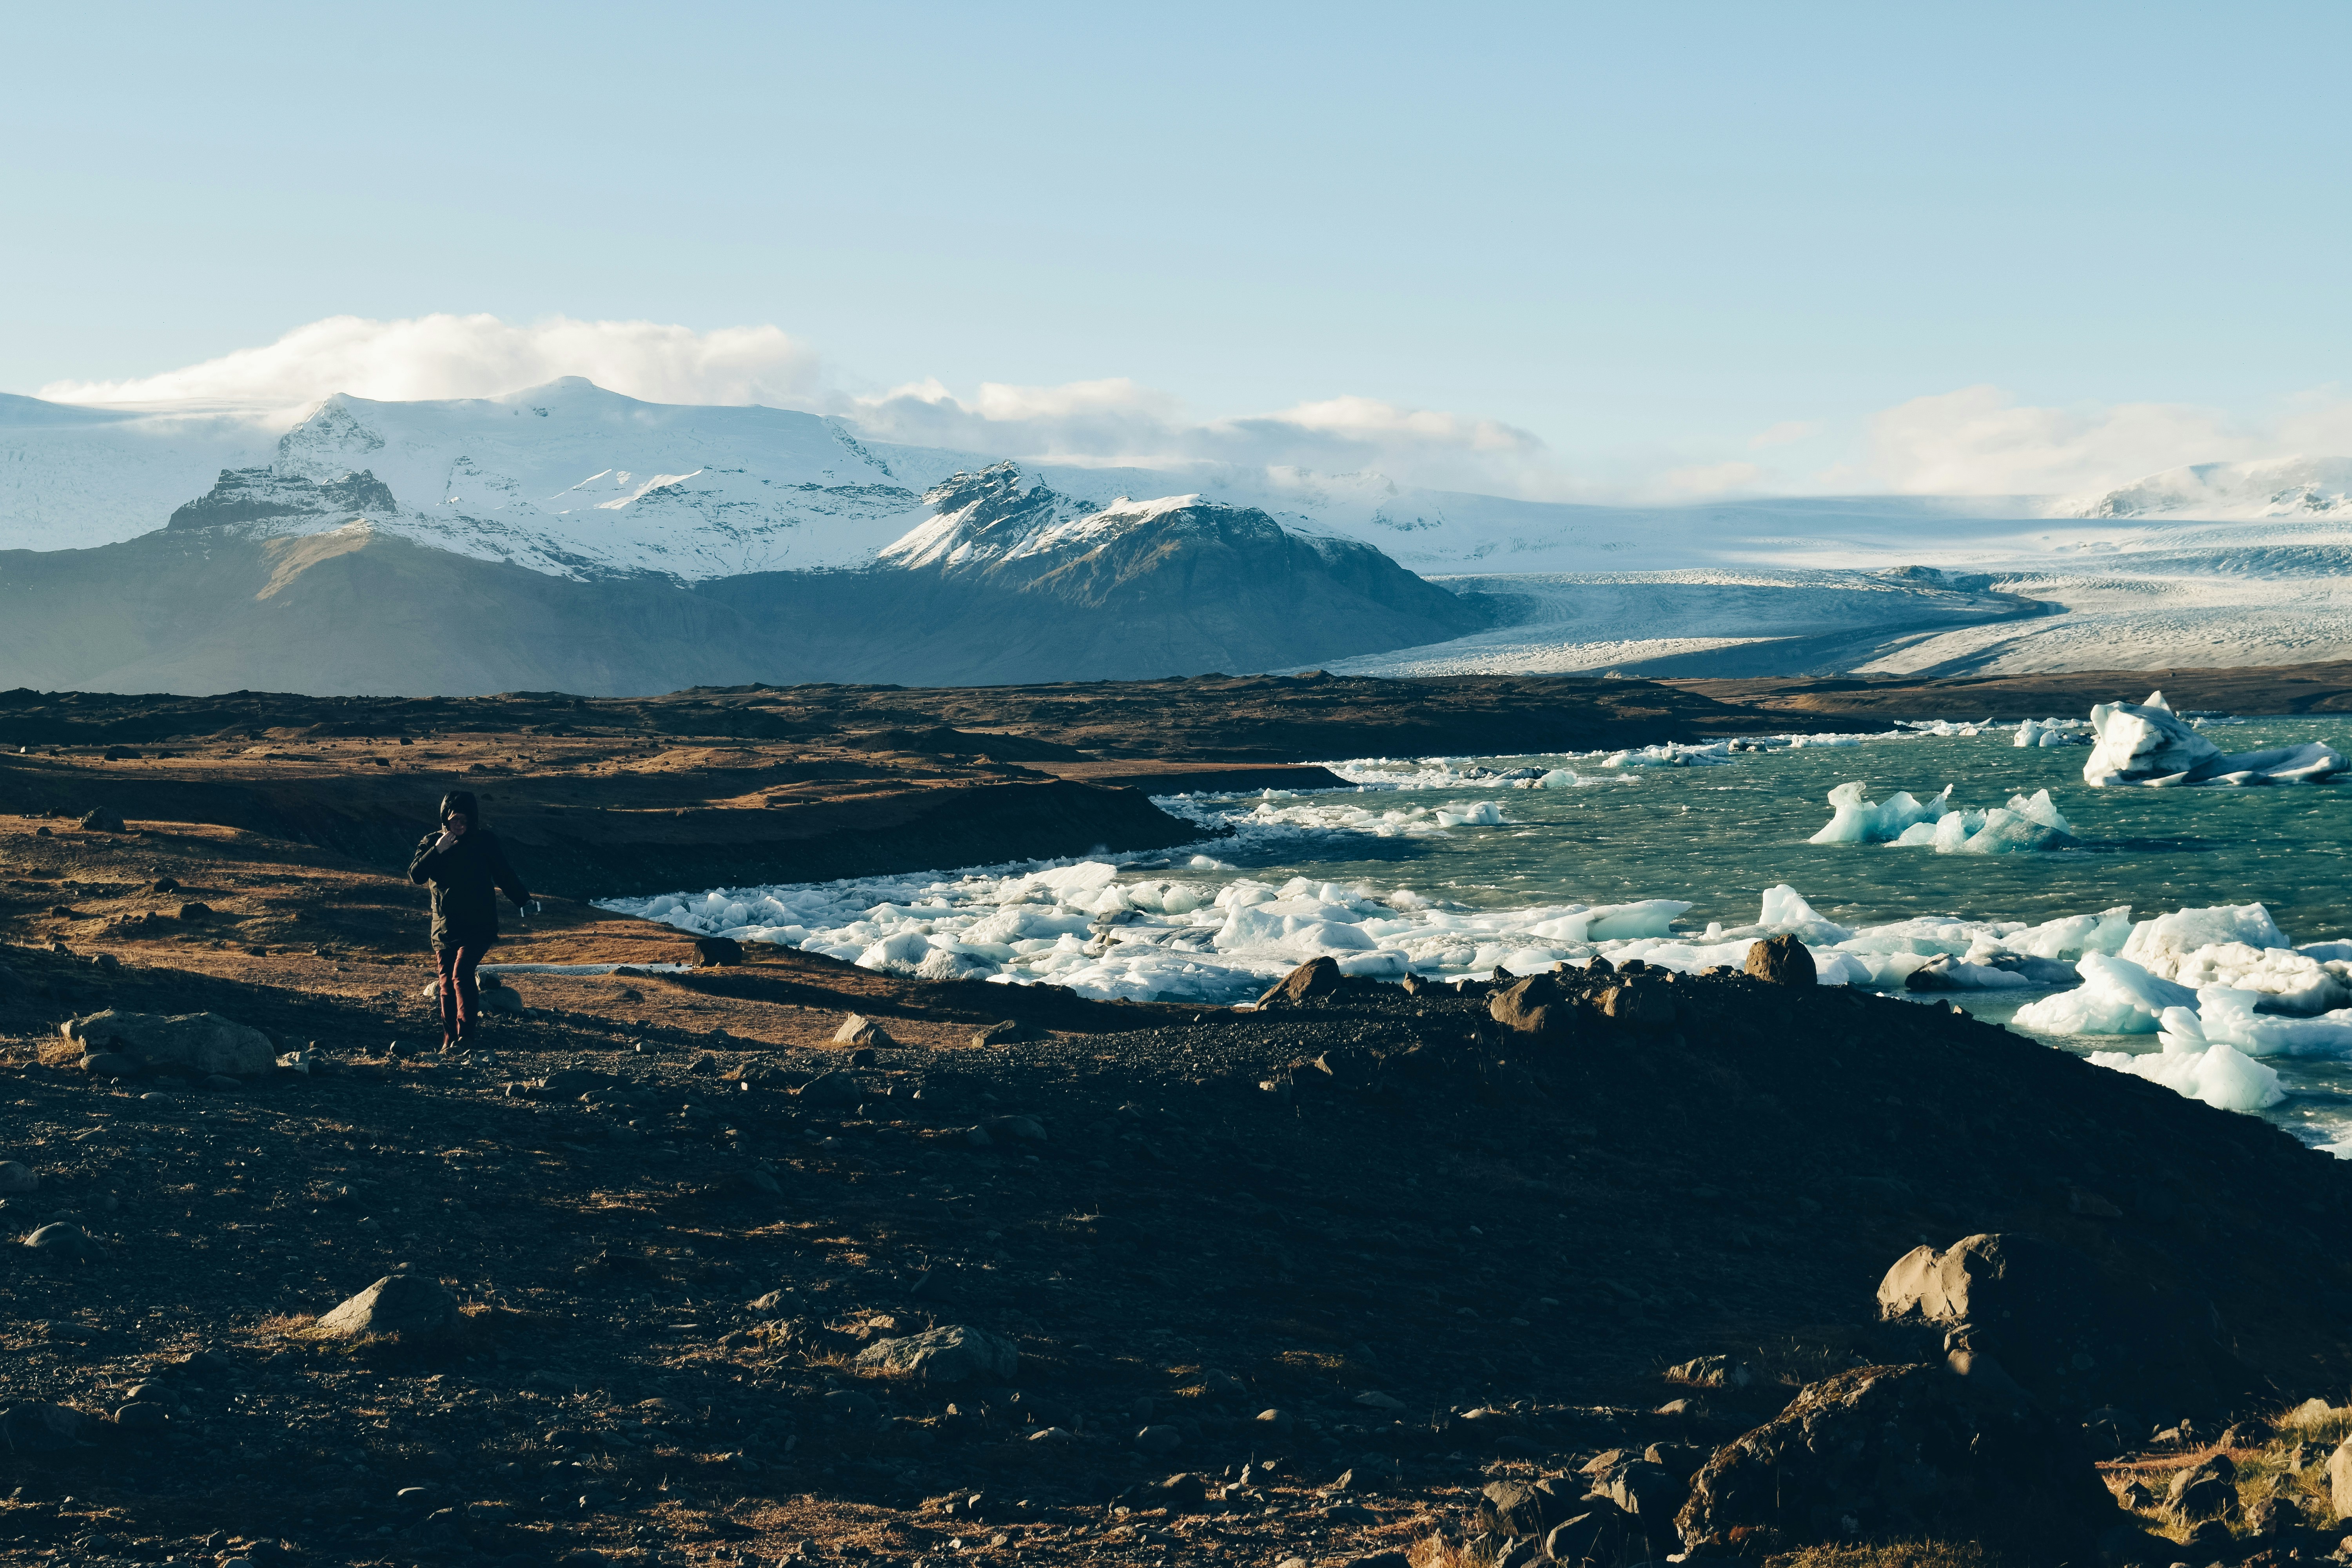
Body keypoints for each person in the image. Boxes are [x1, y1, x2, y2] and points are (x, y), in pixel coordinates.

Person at [407, 789, 531, 1049]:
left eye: (465, 820)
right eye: (455, 819)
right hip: (445, 927)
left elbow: (504, 874)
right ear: (446, 819)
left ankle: (466, 1038)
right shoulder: (432, 842)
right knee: (446, 984)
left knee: (462, 974)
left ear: (473, 819)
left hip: (479, 925)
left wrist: (524, 901)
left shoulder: (484, 842)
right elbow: (416, 875)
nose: (460, 825)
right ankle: (449, 1041)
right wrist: (438, 850)